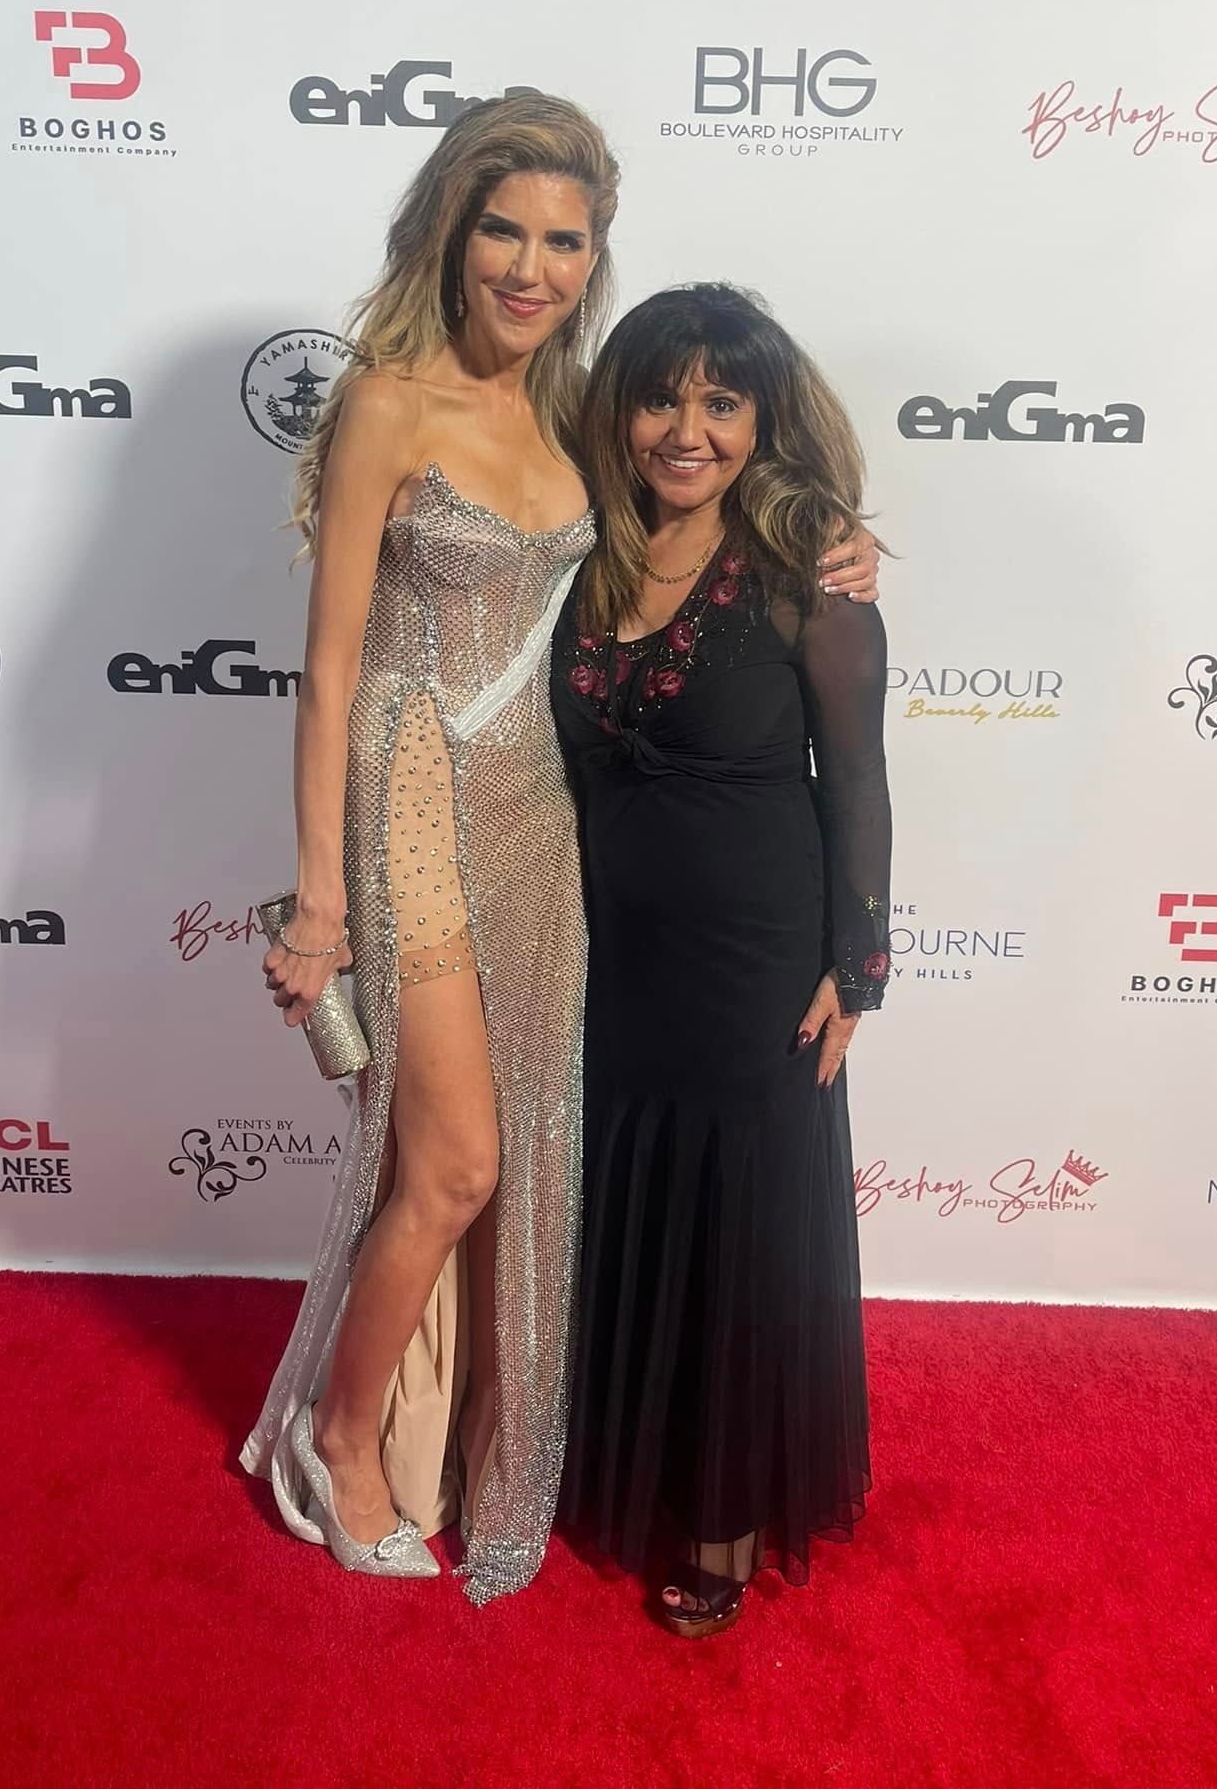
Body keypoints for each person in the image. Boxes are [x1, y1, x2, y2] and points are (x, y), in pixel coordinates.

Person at [239, 95, 879, 1604]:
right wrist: (319, 899)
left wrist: (833, 537)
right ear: (451, 238)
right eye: (504, 232)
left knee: (529, 1157)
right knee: (454, 1161)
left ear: (593, 260)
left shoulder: (584, 410)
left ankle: (464, 1435)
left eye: (563, 241)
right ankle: (340, 1440)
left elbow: (704, 493)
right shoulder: (388, 402)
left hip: (544, 820)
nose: (530, 267)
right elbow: (331, 670)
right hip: (409, 803)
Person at [554, 283, 891, 1637]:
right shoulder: (573, 551)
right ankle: (621, 1465)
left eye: (720, 400)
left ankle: (728, 1516)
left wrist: (854, 966)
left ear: (761, 418)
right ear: (618, 408)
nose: (685, 428)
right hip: (606, 957)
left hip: (758, 964)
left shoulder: (808, 560)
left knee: (743, 1230)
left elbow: (858, 777)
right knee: (630, 1206)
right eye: (660, 395)